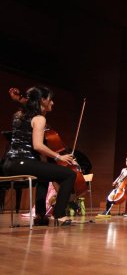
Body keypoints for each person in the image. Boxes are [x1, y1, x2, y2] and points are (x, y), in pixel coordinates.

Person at [2, 86, 76, 226]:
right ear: (42, 100)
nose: (52, 103)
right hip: (23, 162)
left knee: (45, 174)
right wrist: (58, 157)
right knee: (69, 175)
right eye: (50, 100)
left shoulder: (18, 114)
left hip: (8, 164)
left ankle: (41, 215)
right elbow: (38, 145)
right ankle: (59, 215)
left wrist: (19, 99)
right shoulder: (39, 119)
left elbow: (29, 106)